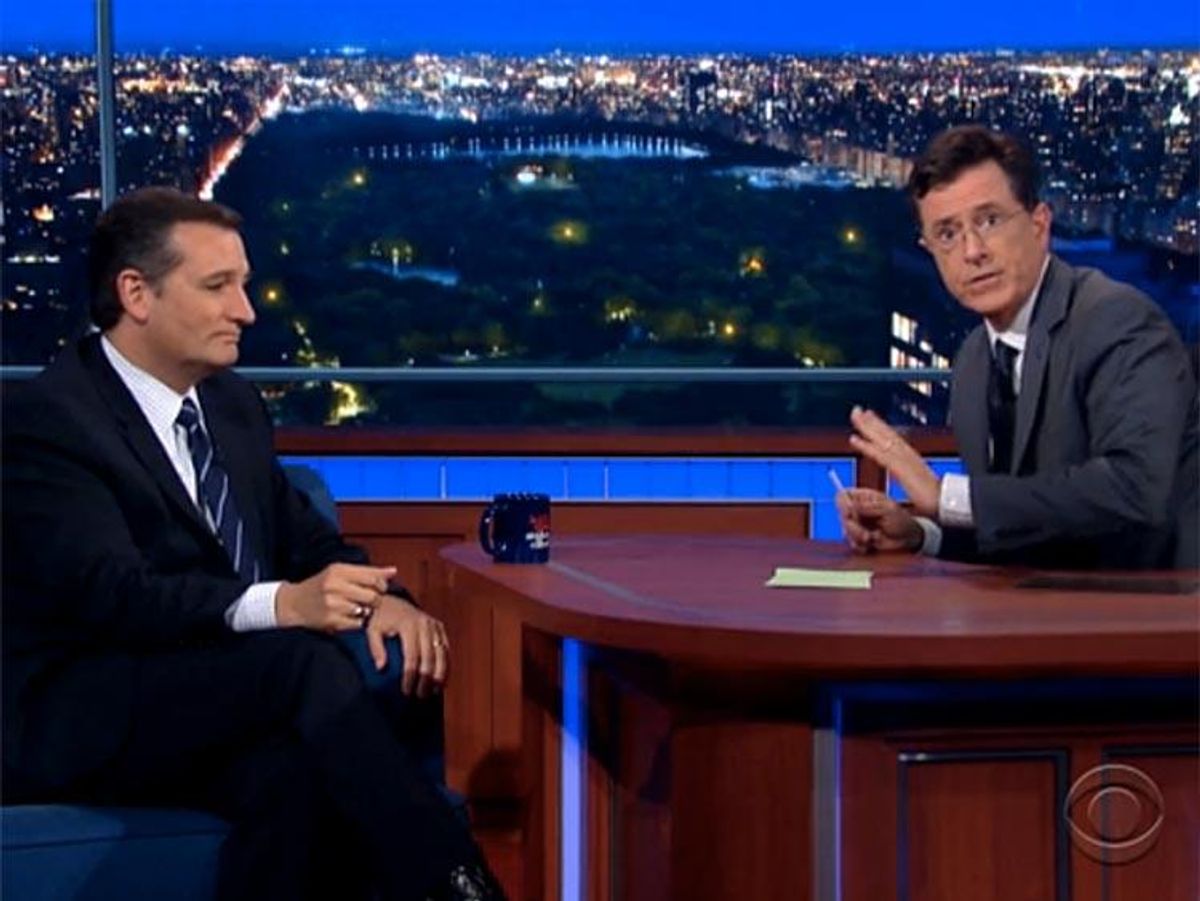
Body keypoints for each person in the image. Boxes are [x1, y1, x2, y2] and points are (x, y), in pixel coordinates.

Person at [1, 187, 505, 900]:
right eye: (218, 286)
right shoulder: (47, 419)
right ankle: (463, 885)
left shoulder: (232, 405)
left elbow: (304, 539)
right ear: (136, 293)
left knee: (294, 778)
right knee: (300, 662)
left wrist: (385, 600)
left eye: (243, 284)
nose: (246, 310)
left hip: (218, 699)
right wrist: (282, 605)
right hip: (87, 709)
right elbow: (113, 596)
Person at [837, 125, 1198, 569]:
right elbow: (1024, 530)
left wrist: (947, 495)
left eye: (989, 221)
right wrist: (921, 535)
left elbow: (1136, 490)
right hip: (1044, 604)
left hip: (1154, 604)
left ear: (1039, 224)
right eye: (947, 234)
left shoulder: (1117, 321)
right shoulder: (974, 361)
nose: (972, 251)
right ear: (930, 250)